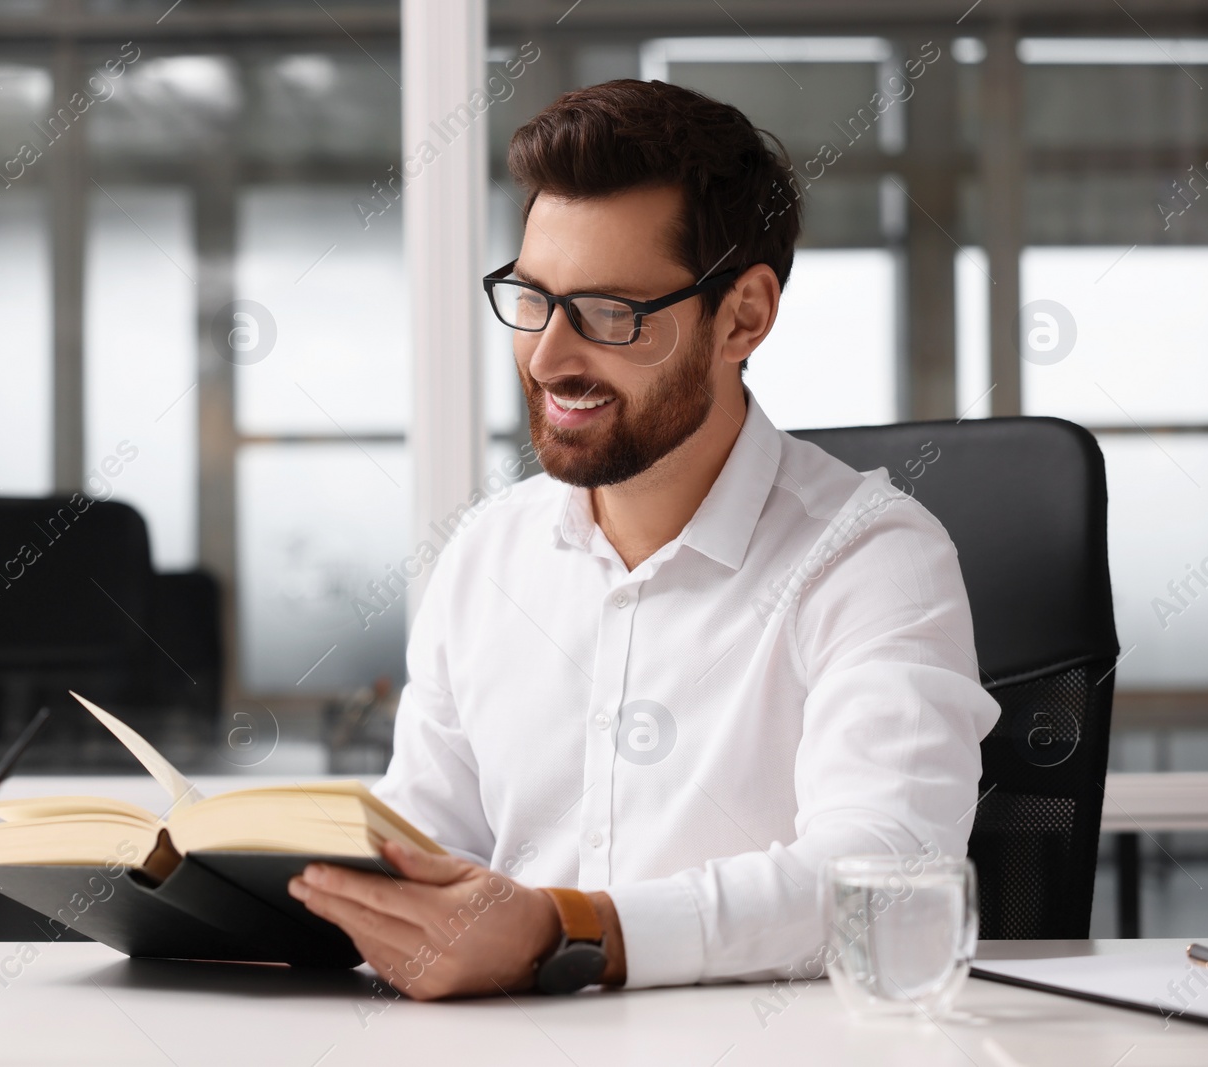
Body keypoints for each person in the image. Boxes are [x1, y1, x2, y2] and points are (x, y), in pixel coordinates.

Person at [287, 79, 1000, 999]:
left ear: (742, 316)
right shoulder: (486, 555)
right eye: (533, 298)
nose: (547, 356)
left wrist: (565, 930)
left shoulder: (874, 559)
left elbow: (881, 879)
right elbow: (425, 843)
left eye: (609, 313)